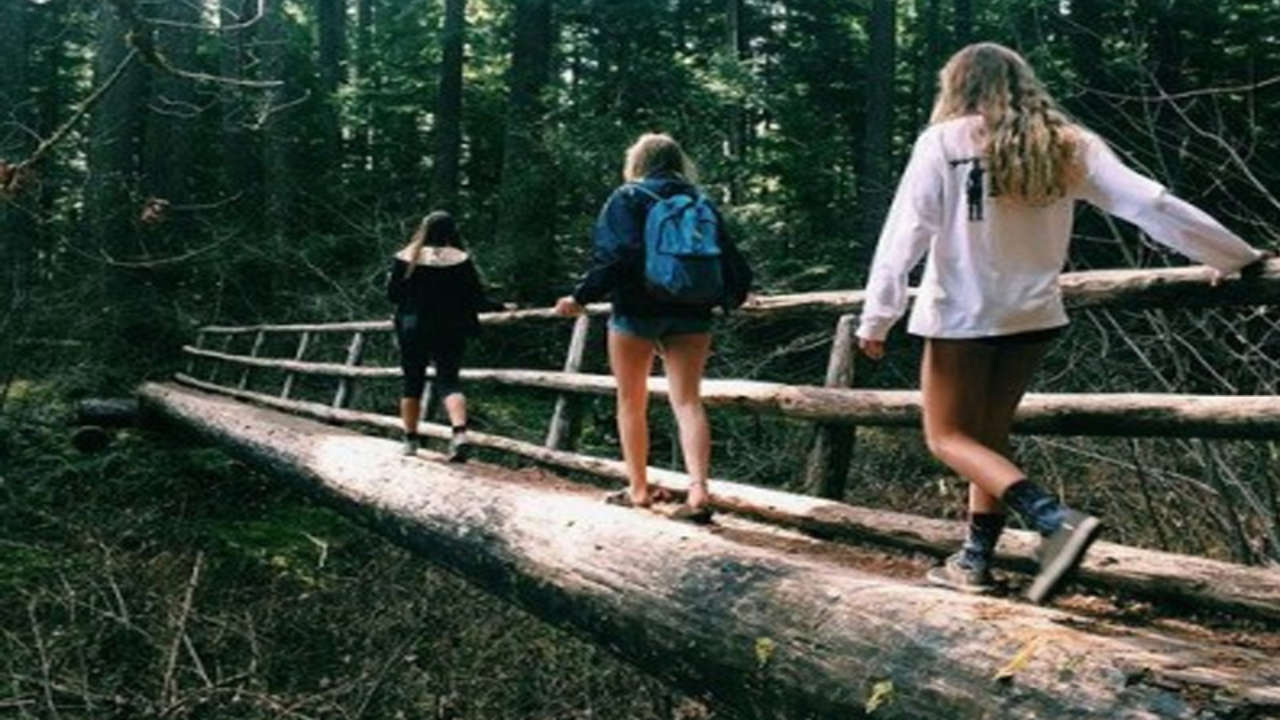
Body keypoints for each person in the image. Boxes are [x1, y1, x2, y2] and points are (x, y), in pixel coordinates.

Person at [855, 42, 1270, 603]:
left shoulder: (944, 143)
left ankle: (1053, 519)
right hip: (1032, 314)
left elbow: (905, 233)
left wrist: (878, 317)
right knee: (988, 438)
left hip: (961, 313)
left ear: (957, 86)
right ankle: (975, 559)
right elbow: (1150, 204)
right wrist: (1234, 255)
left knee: (946, 437)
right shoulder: (1066, 143)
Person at [554, 132, 751, 524]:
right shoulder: (700, 201)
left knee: (631, 400)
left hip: (637, 309)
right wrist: (732, 297)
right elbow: (731, 260)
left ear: (638, 161)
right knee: (688, 400)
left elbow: (616, 257)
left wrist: (580, 297)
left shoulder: (628, 197)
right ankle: (699, 491)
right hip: (693, 310)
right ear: (679, 161)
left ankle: (639, 489)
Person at [387, 211, 505, 462]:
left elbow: (393, 294)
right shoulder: (460, 259)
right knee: (449, 380)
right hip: (451, 326)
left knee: (412, 382)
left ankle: (410, 439)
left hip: (413, 326)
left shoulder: (406, 257)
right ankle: (459, 432)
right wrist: (502, 307)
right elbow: (476, 298)